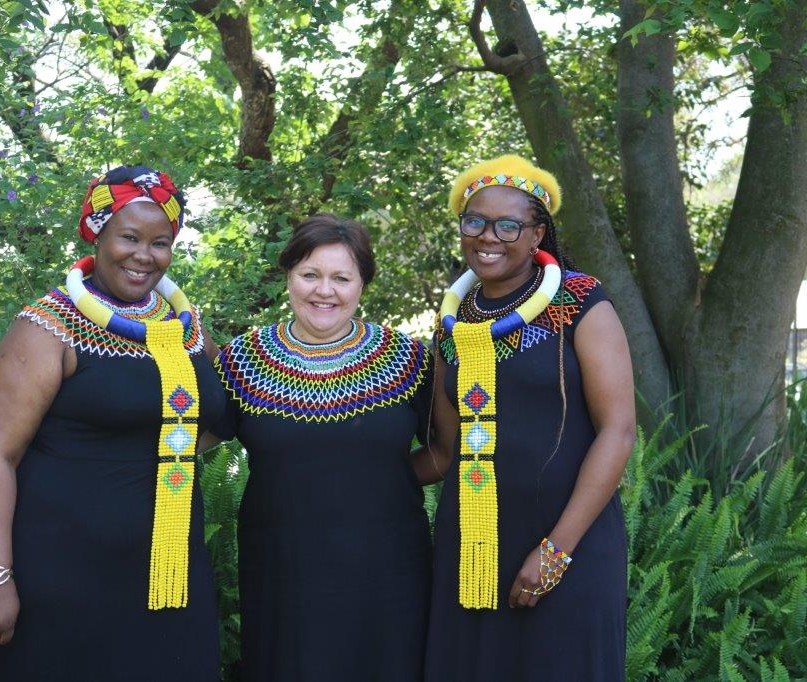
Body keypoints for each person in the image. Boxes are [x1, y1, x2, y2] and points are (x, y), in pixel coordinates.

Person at [0, 165, 225, 680]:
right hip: (56, 574)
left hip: (166, 574)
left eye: (160, 242)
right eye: (129, 237)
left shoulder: (184, 329)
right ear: (97, 233)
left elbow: (216, 417)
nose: (144, 255)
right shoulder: (48, 327)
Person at [203, 214, 442, 681]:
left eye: (341, 278)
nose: (324, 291)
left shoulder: (408, 360)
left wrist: (376, 480)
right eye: (310, 274)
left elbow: (447, 452)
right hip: (283, 575)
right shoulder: (242, 361)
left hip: (388, 572)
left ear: (362, 284)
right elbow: (186, 439)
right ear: (288, 275)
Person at [424, 155, 635, 680]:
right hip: (472, 549)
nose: (487, 236)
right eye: (475, 221)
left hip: (570, 543)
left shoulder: (580, 302)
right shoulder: (454, 323)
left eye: (508, 225)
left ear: (537, 232)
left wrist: (556, 551)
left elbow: (617, 431)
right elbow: (446, 452)